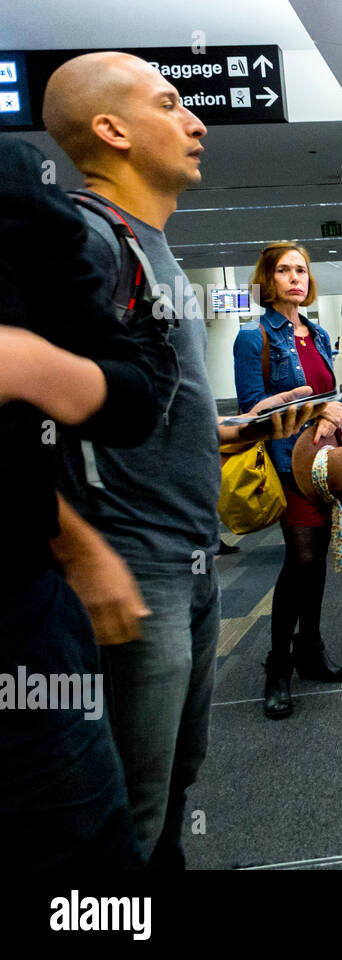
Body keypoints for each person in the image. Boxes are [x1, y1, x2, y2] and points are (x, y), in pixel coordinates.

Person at [42, 52, 326, 868]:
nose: (197, 121)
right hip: (133, 565)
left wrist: (218, 435)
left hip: (190, 554)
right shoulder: (87, 240)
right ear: (112, 130)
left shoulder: (154, 247)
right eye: (170, 104)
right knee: (123, 808)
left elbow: (118, 402)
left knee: (172, 783)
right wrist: (80, 550)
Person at [0, 133, 159, 868]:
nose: (194, 126)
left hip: (18, 610)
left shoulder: (18, 185)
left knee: (87, 852)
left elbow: (132, 394)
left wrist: (28, 367)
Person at [233, 243, 342, 719]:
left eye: (301, 270)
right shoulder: (254, 338)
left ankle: (310, 650)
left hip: (323, 464)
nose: (295, 278)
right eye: (283, 270)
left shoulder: (318, 332)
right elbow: (253, 412)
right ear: (268, 280)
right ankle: (278, 666)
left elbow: (331, 393)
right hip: (287, 466)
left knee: (317, 557)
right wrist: (315, 409)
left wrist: (335, 410)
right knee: (301, 558)